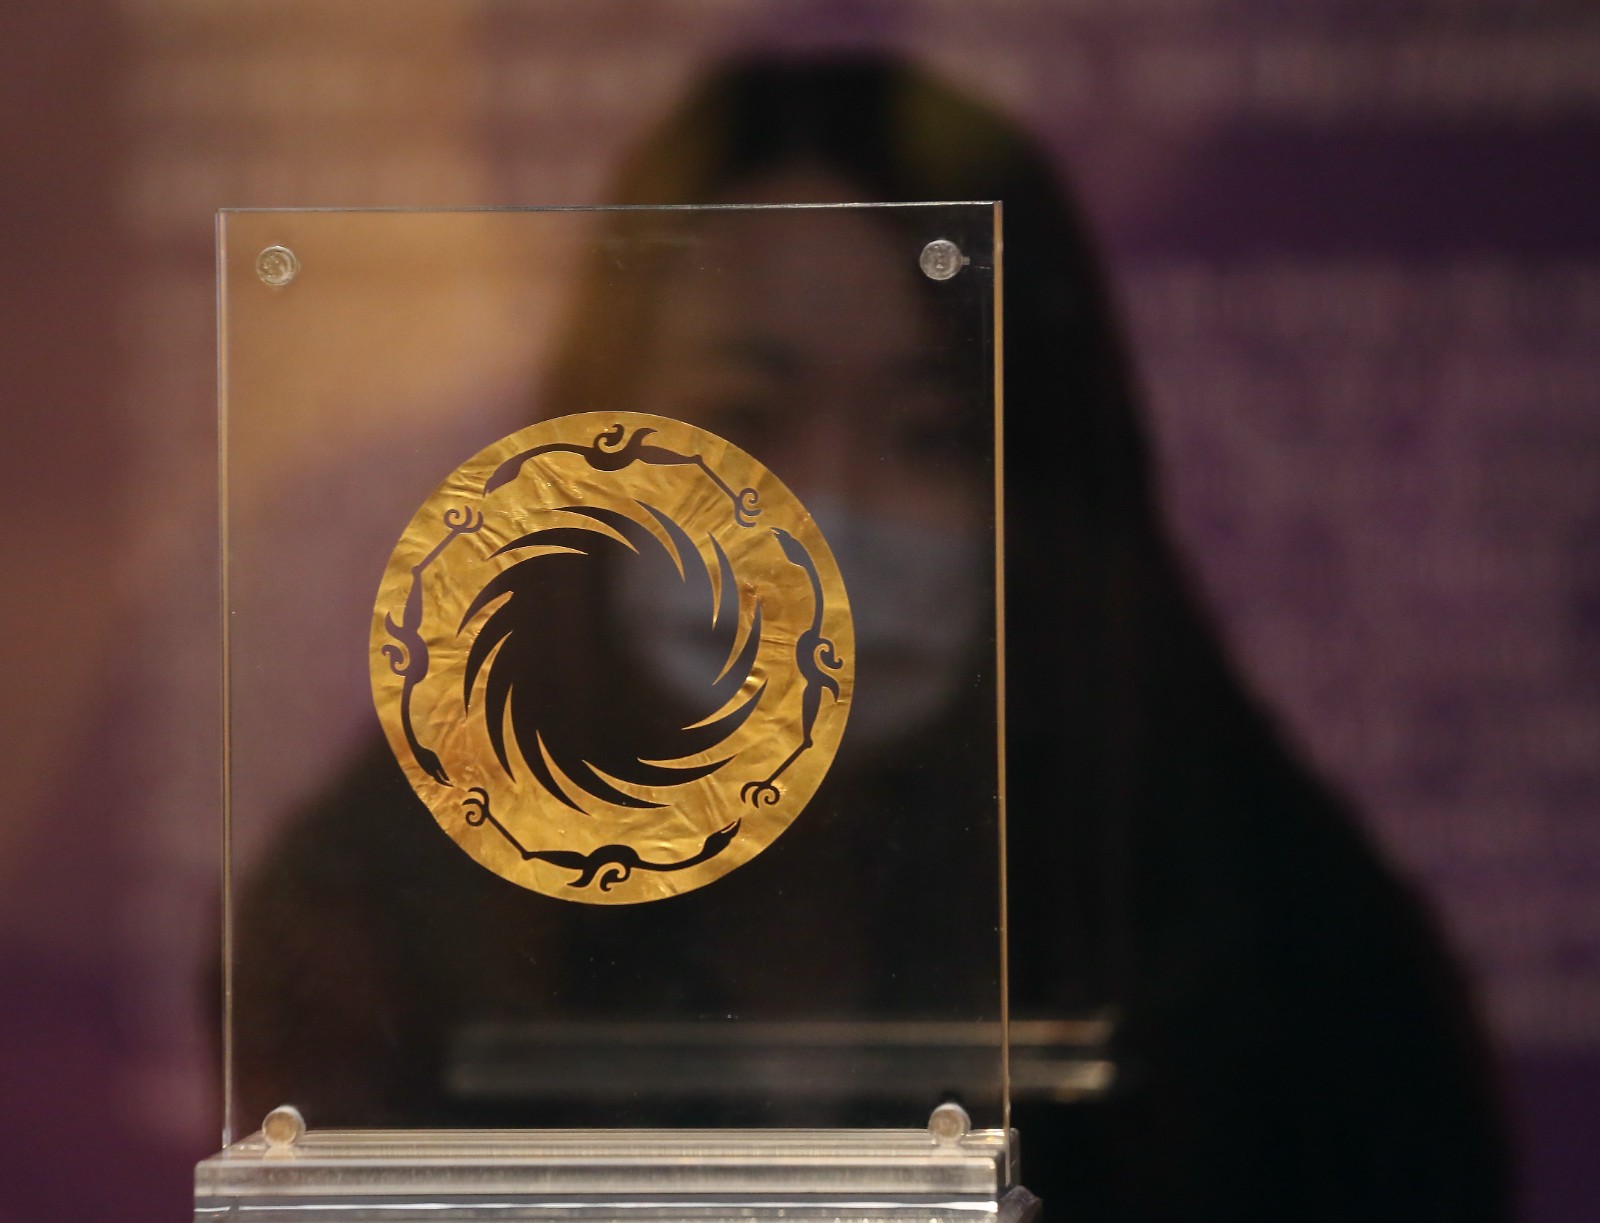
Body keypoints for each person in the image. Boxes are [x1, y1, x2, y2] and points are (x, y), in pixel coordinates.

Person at [231, 53, 1510, 1220]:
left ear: (1046, 490)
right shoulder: (379, 932)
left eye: (928, 435)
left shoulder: (1293, 970)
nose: (819, 518)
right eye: (743, 416)